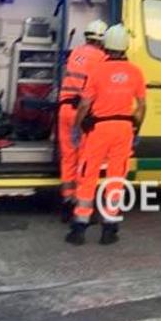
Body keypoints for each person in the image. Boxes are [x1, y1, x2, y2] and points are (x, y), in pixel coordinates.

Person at [67, 24, 146, 246]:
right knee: (116, 178)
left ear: (106, 44)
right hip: (124, 130)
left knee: (88, 175)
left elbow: (84, 104)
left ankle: (79, 229)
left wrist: (77, 126)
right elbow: (141, 106)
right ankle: (109, 230)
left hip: (99, 130)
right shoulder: (136, 72)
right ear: (125, 46)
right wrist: (137, 129)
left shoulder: (97, 71)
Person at [57, 19, 108, 221]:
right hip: (82, 114)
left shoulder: (76, 53)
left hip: (64, 111)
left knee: (68, 158)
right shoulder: (101, 58)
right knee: (85, 160)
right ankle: (81, 206)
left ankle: (66, 202)